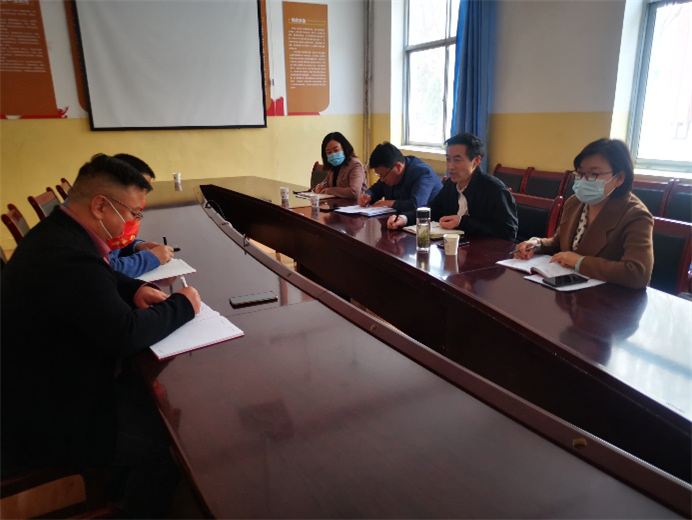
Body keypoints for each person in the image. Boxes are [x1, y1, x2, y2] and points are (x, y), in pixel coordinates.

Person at [1, 154, 201, 517]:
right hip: (47, 415)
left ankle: (117, 485)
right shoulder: (66, 255)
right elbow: (126, 334)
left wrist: (134, 289)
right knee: (170, 442)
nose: (135, 223)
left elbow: (100, 275)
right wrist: (183, 305)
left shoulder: (60, 232)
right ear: (100, 206)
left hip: (48, 381)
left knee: (151, 398)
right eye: (133, 213)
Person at [513, 138, 653, 289]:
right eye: (580, 173)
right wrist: (537, 244)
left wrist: (580, 262)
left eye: (593, 174)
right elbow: (559, 244)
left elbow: (638, 273)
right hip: (567, 289)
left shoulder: (636, 215)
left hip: (607, 296)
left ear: (619, 178)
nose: (584, 180)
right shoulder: (574, 203)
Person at [386, 133, 518, 241]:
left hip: (485, 257)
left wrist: (462, 222)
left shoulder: (494, 189)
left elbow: (509, 233)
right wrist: (403, 218)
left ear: (476, 161)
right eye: (448, 159)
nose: (450, 166)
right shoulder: (451, 184)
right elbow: (432, 209)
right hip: (455, 249)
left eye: (457, 160)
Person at [107, 153, 174, 277]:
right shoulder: (97, 227)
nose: (141, 202)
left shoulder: (115, 213)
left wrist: (137, 246)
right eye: (138, 192)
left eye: (145, 194)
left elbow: (115, 248)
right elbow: (107, 270)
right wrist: (152, 258)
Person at [358, 142, 442, 212]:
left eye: (383, 175)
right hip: (398, 221)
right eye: (379, 176)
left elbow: (416, 205)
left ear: (398, 167)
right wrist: (368, 196)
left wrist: (390, 203)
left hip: (431, 223)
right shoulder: (389, 171)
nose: (382, 180)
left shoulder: (422, 173)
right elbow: (376, 189)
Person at [312, 132, 368, 198]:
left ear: (344, 148)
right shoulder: (333, 166)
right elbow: (326, 183)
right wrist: (319, 187)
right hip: (336, 202)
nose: (333, 154)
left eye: (336, 150)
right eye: (329, 152)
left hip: (354, 203)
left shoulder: (355, 165)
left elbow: (354, 191)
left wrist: (329, 190)